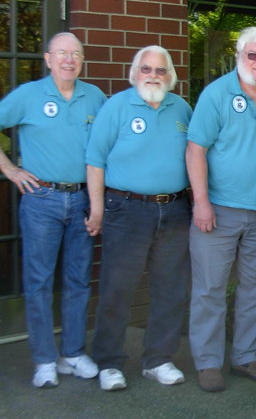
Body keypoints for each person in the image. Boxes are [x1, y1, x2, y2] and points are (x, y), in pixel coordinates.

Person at [186, 26, 256, 392]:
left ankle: (247, 356)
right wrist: (201, 202)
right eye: (253, 55)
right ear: (240, 56)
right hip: (217, 210)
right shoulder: (216, 94)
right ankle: (207, 362)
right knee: (209, 289)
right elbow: (196, 150)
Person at [0, 32, 105, 388]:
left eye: (75, 54)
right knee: (39, 282)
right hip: (40, 200)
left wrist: (98, 202)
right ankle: (44, 359)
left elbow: (106, 148)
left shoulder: (95, 97)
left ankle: (73, 354)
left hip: (82, 200)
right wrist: (11, 170)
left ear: (81, 59)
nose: (68, 60)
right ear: (48, 59)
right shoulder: (28, 96)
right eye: (61, 53)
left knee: (78, 281)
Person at [85, 46, 192, 391]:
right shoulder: (116, 106)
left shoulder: (182, 109)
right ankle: (109, 362)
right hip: (126, 209)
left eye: (161, 70)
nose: (153, 75)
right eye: (146, 69)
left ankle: (158, 359)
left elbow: (196, 156)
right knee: (118, 287)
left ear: (171, 76)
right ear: (134, 74)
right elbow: (95, 160)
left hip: (175, 210)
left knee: (171, 289)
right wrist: (97, 208)